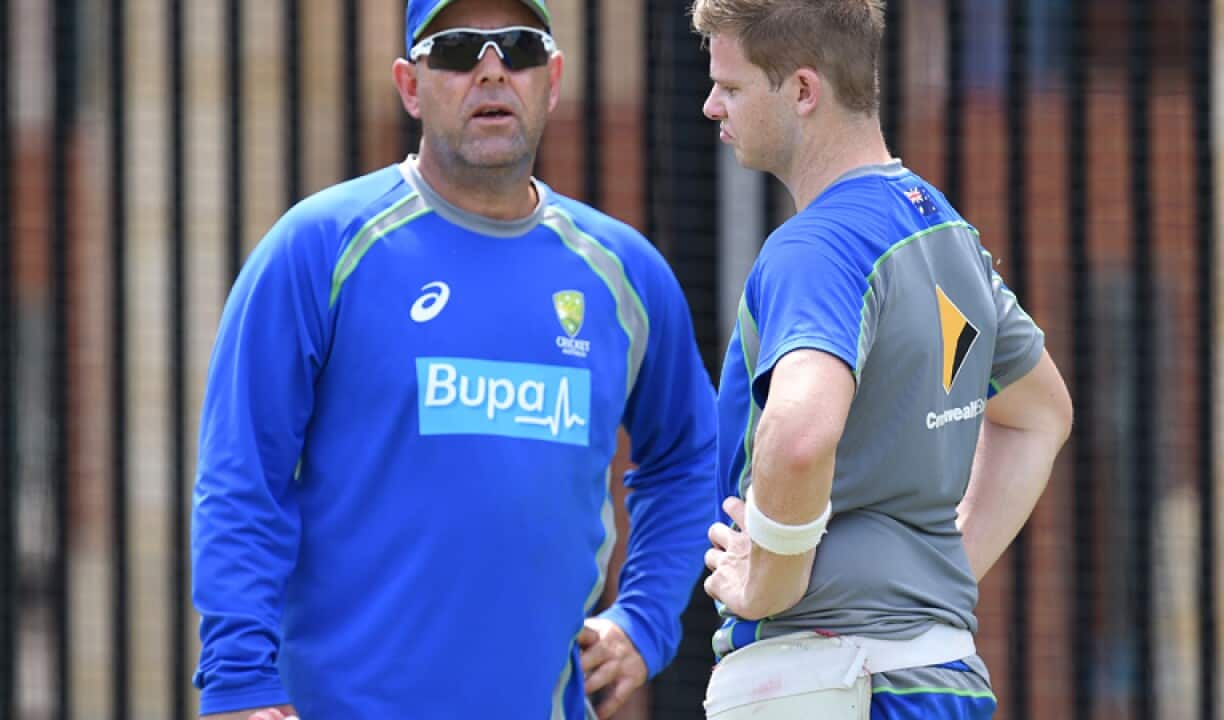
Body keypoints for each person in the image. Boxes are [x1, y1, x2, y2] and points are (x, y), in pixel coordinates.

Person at [190, 1, 717, 717]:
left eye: (519, 48)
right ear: (410, 86)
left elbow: (690, 455)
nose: (492, 71)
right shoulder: (318, 248)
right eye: (459, 49)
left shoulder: (624, 271)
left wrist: (643, 620)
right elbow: (243, 475)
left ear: (553, 79)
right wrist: (239, 680)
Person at [691, 1, 1074, 718]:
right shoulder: (944, 228)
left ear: (803, 90)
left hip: (831, 685)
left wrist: (767, 582)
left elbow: (800, 436)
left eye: (731, 86)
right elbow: (1041, 415)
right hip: (940, 674)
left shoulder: (814, 247)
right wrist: (935, 579)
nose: (712, 105)